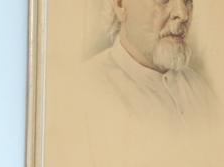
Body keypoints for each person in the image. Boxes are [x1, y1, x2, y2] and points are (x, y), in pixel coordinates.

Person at [86, 0, 214, 119]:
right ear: (120, 5)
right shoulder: (87, 91)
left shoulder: (201, 91)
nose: (183, 14)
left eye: (187, 0)